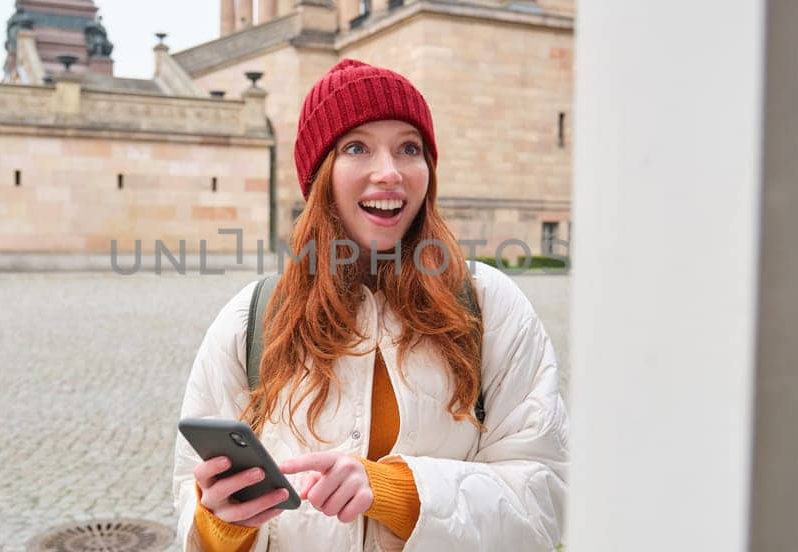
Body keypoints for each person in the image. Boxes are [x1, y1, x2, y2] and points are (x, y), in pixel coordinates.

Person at [172, 59, 568, 551]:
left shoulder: (489, 305)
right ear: (321, 175)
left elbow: (544, 498)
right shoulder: (249, 318)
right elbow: (189, 510)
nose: (389, 173)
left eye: (409, 148)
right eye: (356, 147)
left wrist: (397, 491)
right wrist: (222, 524)